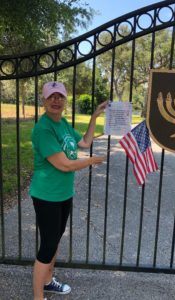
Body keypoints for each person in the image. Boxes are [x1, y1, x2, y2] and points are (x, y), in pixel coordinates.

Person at [29, 81, 107, 300]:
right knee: (47, 246)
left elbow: (84, 142)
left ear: (65, 101)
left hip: (63, 194)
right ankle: (38, 297)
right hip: (46, 196)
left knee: (54, 240)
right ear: (44, 101)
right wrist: (93, 160)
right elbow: (64, 164)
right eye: (51, 96)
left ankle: (48, 281)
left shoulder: (62, 123)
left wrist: (94, 117)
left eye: (60, 96)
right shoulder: (43, 129)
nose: (56, 100)